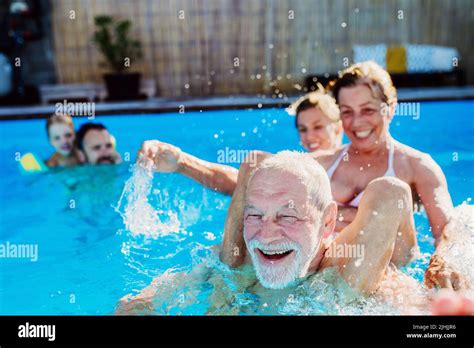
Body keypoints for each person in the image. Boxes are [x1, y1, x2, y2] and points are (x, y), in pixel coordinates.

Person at [117, 152, 473, 315]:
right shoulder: (232, 263)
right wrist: (142, 302)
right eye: (254, 215)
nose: (267, 234)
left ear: (328, 223)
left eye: (287, 217)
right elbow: (176, 282)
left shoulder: (353, 276)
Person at [221, 61, 469, 291]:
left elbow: (448, 225)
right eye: (347, 112)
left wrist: (443, 259)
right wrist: (187, 164)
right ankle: (225, 278)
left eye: (368, 110)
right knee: (257, 164)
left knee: (389, 193)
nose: (357, 122)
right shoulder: (323, 163)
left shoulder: (417, 166)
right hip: (327, 260)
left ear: (390, 108)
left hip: (384, 262)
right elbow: (256, 189)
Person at [138, 91, 343, 195]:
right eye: (303, 129)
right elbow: (241, 182)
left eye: (318, 127)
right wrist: (182, 163)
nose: (309, 137)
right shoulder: (301, 168)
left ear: (338, 128)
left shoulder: (357, 166)